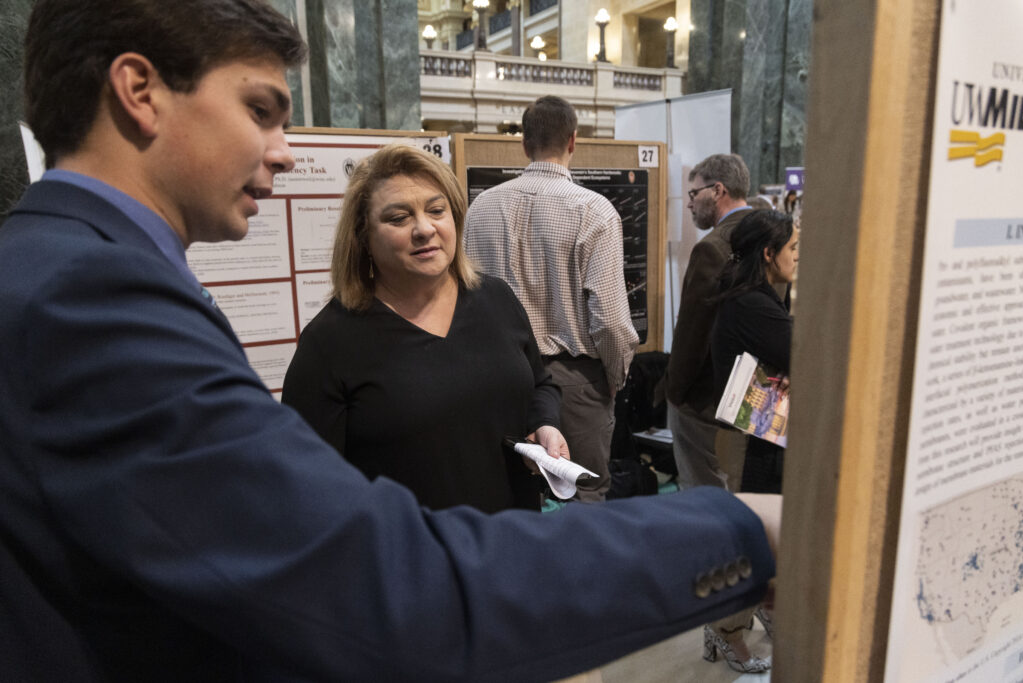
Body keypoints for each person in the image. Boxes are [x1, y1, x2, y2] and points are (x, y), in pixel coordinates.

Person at [0, 1, 778, 680]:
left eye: (435, 211)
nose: (282, 148)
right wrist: (741, 526)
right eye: (262, 109)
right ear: (140, 92)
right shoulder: (92, 297)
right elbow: (369, 577)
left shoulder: (52, 264)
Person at [282, 144, 567, 513]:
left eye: (437, 210)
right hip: (411, 557)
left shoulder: (495, 299)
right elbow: (309, 480)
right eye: (398, 218)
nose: (424, 229)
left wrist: (545, 423)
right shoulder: (331, 341)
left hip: (511, 541)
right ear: (364, 237)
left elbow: (540, 385)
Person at [464, 95, 638, 503]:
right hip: (575, 381)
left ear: (524, 143)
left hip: (498, 375)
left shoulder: (480, 208)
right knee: (586, 493)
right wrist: (615, 377)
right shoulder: (595, 211)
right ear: (573, 141)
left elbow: (465, 297)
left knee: (509, 492)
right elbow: (610, 320)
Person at [665, 154, 755, 492]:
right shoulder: (772, 235)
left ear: (717, 191)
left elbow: (693, 333)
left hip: (705, 400)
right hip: (751, 395)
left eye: (693, 194)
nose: (689, 205)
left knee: (701, 494)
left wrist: (673, 392)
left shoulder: (713, 248)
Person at [711, 210, 797, 495]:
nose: (797, 256)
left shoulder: (753, 295)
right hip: (749, 443)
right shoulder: (752, 304)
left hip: (756, 439)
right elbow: (806, 356)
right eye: (792, 248)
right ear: (769, 253)